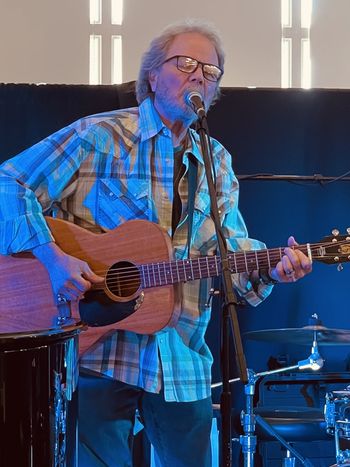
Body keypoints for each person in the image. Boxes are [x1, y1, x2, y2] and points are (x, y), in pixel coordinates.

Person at [0, 19, 312, 467]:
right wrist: (54, 258)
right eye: (185, 62)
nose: (199, 73)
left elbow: (230, 254)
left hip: (181, 359)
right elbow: (8, 183)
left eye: (210, 69)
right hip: (98, 352)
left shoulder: (216, 161)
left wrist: (272, 268)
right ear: (152, 75)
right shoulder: (99, 137)